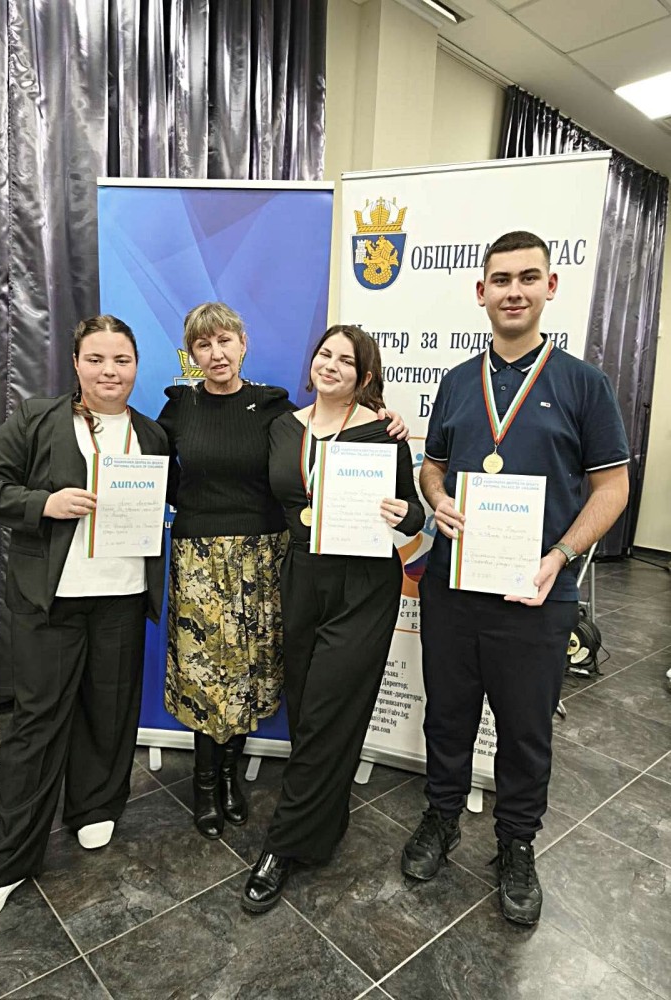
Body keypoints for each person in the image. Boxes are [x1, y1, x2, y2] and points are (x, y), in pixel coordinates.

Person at [403, 231, 630, 926]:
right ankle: (441, 818)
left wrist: (559, 555)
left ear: (550, 287)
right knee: (447, 715)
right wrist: (438, 498)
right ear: (481, 292)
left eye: (528, 277)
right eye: (500, 280)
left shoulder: (584, 384)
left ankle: (516, 843)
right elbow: (432, 466)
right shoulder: (455, 382)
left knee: (526, 730)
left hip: (537, 593)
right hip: (453, 587)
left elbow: (613, 488)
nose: (514, 291)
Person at [157, 304, 408, 841]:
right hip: (199, 557)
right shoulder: (178, 408)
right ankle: (205, 782)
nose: (216, 354)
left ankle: (231, 778)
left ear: (243, 343)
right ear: (191, 352)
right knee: (205, 676)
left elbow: (322, 445)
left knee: (249, 670)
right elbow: (156, 471)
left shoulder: (274, 410)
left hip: (264, 557)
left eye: (225, 341)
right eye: (203, 344)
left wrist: (388, 419)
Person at [0, 315, 169, 929]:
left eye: (121, 359)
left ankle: (94, 806)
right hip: (53, 602)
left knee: (110, 709)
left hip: (122, 595)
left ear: (136, 366)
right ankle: (6, 861)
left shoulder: (153, 434)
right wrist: (42, 503)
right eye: (96, 359)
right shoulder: (37, 420)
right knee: (38, 724)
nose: (109, 371)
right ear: (76, 363)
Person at [241, 324, 424, 913]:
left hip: (363, 585)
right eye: (324, 354)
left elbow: (415, 517)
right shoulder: (282, 427)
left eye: (346, 360)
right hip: (300, 577)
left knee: (327, 708)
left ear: (364, 375)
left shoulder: (382, 433)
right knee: (306, 706)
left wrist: (401, 513)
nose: (331, 365)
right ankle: (324, 821)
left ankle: (282, 845)